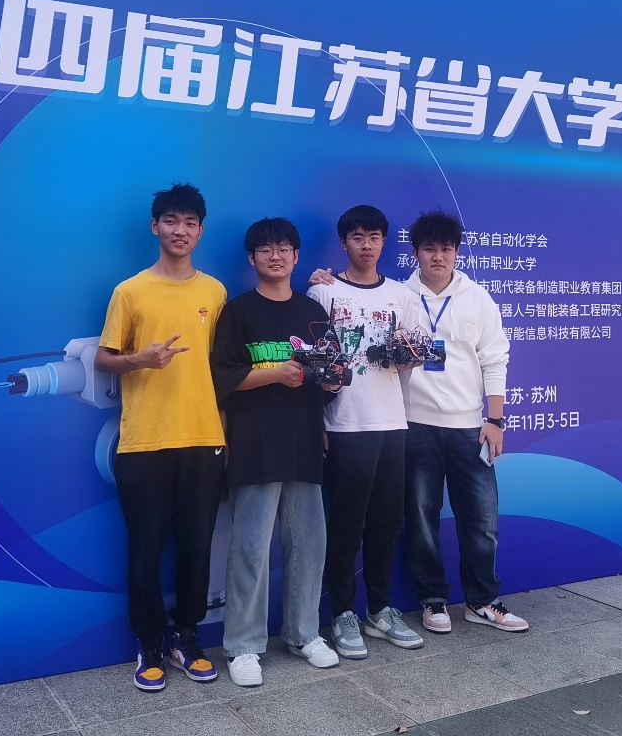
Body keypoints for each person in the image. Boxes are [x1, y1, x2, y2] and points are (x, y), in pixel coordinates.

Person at [93, 183, 226, 692]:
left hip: (203, 437)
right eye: (171, 220)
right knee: (145, 549)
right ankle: (148, 642)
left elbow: (221, 367)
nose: (180, 230)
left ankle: (186, 636)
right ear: (155, 227)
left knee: (196, 546)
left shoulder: (214, 292)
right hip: (144, 440)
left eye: (190, 222)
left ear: (201, 231)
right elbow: (103, 359)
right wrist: (139, 360)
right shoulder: (130, 291)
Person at [212, 218, 341, 687]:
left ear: (296, 256)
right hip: (255, 443)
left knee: (309, 543)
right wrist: (275, 374)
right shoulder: (237, 312)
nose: (275, 256)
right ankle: (243, 645)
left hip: (304, 441)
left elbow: (332, 375)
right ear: (252, 258)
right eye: (265, 250)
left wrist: (332, 382)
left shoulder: (313, 311)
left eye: (284, 248)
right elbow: (222, 377)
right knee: (250, 548)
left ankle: (304, 633)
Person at [400, 211, 528, 634]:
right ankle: (432, 601)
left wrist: (496, 419)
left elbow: (496, 359)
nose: (438, 256)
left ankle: (482, 601)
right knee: (421, 518)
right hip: (414, 425)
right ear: (415, 253)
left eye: (446, 249)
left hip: (470, 428)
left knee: (482, 520)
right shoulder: (399, 297)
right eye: (429, 249)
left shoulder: (478, 298)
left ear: (456, 252)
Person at [306, 205, 423, 658]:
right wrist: (319, 422)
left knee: (387, 524)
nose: (367, 245)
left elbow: (417, 354)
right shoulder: (323, 292)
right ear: (343, 243)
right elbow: (314, 364)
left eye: (374, 237)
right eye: (357, 237)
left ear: (384, 242)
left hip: (392, 421)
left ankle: (381, 609)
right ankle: (342, 613)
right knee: (346, 525)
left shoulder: (401, 295)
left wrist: (406, 354)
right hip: (345, 423)